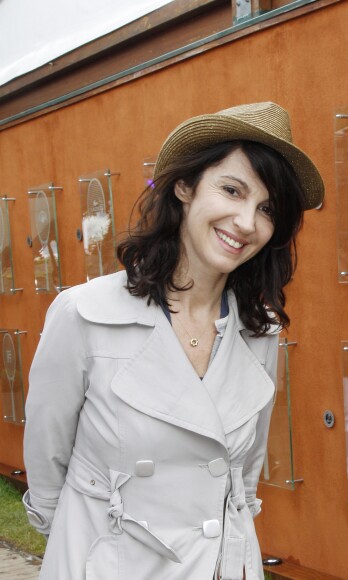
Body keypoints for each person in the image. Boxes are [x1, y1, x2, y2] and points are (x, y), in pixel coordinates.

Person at [22, 102, 324, 580]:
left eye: (266, 209)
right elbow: (46, 467)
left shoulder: (259, 329)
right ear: (184, 187)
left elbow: (240, 481)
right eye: (231, 190)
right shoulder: (84, 314)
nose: (246, 222)